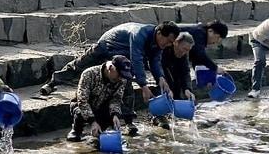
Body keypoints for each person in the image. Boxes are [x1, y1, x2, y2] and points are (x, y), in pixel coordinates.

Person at [39, 21, 181, 103]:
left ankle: (128, 117)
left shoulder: (159, 44)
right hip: (107, 44)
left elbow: (155, 61)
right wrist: (144, 85)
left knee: (125, 81)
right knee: (80, 65)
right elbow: (137, 59)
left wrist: (161, 78)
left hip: (122, 55)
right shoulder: (140, 35)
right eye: (168, 41)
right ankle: (54, 81)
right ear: (159, 33)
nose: (169, 45)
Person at [66, 56, 134, 143]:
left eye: (123, 76)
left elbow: (116, 99)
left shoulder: (121, 80)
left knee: (113, 116)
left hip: (102, 107)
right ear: (110, 68)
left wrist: (115, 115)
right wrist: (93, 122)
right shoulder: (89, 74)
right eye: (119, 74)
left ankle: (101, 131)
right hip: (83, 105)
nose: (120, 78)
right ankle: (76, 130)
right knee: (79, 112)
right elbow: (82, 100)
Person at [159, 34, 197, 107]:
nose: (185, 52)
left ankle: (176, 102)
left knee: (179, 78)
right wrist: (169, 88)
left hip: (173, 66)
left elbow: (185, 72)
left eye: (188, 50)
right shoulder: (165, 48)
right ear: (176, 43)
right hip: (161, 65)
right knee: (169, 81)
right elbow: (162, 68)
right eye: (184, 49)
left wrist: (187, 89)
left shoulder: (184, 54)